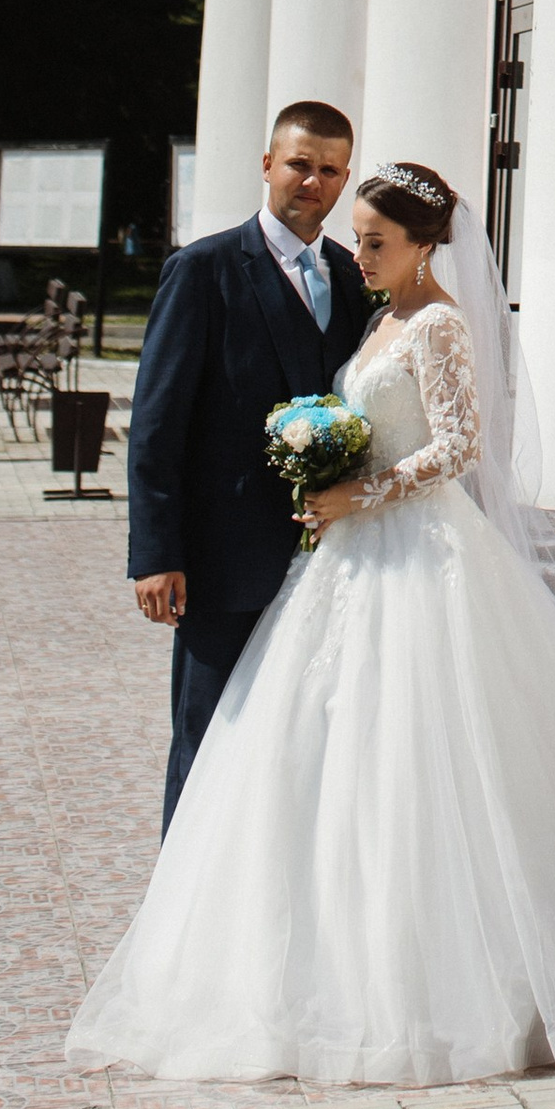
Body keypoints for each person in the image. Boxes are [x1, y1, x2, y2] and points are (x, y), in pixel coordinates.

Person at [67, 162, 555, 1085]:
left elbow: (459, 446)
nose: (359, 253)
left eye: (376, 241)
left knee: (429, 754)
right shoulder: (380, 322)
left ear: (422, 245)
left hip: (425, 559)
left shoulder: (442, 324)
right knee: (316, 747)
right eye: (360, 239)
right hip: (351, 560)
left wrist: (358, 493)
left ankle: (462, 982)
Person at [125, 100, 373, 826]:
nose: (312, 182)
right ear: (268, 165)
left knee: (299, 746)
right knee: (208, 739)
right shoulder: (201, 271)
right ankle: (180, 925)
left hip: (331, 563)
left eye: (329, 171)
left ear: (344, 179)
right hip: (225, 559)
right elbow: (157, 426)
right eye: (299, 164)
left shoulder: (355, 278)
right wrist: (155, 554)